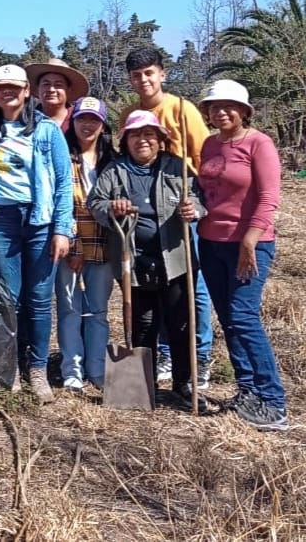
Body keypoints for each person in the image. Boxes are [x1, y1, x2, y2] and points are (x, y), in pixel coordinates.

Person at [0, 64, 73, 404]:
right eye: (1, 88)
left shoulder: (45, 131)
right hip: (3, 222)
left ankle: (38, 368)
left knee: (40, 300)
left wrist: (62, 229)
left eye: (14, 87)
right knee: (9, 300)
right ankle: (12, 366)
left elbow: (63, 184)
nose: (8, 93)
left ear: (26, 91)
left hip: (40, 220)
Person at [87, 111, 202, 409]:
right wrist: (113, 206)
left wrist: (195, 209)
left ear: (160, 140)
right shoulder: (115, 171)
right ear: (126, 140)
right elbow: (95, 203)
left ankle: (183, 383)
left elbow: (200, 197)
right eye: (136, 135)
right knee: (143, 324)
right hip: (133, 261)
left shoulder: (176, 167)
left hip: (175, 259)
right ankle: (141, 385)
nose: (143, 140)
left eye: (150, 134)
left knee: (180, 323)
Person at [196, 79, 287, 430]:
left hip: (250, 244)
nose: (221, 112)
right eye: (214, 107)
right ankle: (247, 389)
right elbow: (209, 193)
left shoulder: (259, 144)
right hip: (211, 242)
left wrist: (250, 240)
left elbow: (268, 198)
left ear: (244, 111)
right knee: (229, 319)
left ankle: (274, 401)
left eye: (228, 106)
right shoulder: (209, 144)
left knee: (244, 317)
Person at [121, 46, 214, 386]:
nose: (143, 80)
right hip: (149, 216)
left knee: (192, 289)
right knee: (157, 286)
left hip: (182, 211)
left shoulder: (181, 109)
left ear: (162, 73)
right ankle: (162, 352)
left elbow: (204, 160)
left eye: (149, 73)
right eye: (136, 75)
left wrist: (200, 205)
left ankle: (198, 356)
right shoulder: (130, 113)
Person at [55, 96, 116, 392]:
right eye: (82, 119)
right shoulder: (63, 157)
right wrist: (75, 246)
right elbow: (64, 205)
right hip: (70, 246)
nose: (87, 124)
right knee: (69, 309)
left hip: (104, 248)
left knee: (98, 311)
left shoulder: (113, 162)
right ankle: (72, 370)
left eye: (94, 119)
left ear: (103, 124)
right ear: (73, 121)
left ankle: (97, 368)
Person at [24, 58, 89, 133]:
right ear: (38, 88)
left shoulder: (78, 119)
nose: (51, 90)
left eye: (58, 85)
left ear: (68, 90)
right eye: (46, 84)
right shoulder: (26, 119)